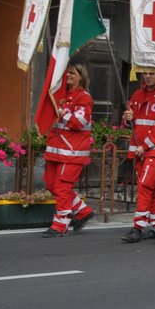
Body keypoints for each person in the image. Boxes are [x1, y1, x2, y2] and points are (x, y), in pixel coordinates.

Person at [118, 68, 155, 242]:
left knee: (144, 186)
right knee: (151, 186)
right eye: (145, 73)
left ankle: (138, 226)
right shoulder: (137, 95)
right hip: (139, 149)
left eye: (152, 73)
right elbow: (131, 124)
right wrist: (128, 119)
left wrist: (145, 145)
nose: (148, 76)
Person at [41, 64, 95, 238]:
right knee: (51, 183)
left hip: (72, 151)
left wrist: (62, 112)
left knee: (62, 187)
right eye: (67, 73)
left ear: (81, 76)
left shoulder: (84, 97)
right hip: (56, 148)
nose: (69, 75)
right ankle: (82, 210)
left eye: (73, 73)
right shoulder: (60, 96)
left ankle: (61, 224)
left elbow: (78, 122)